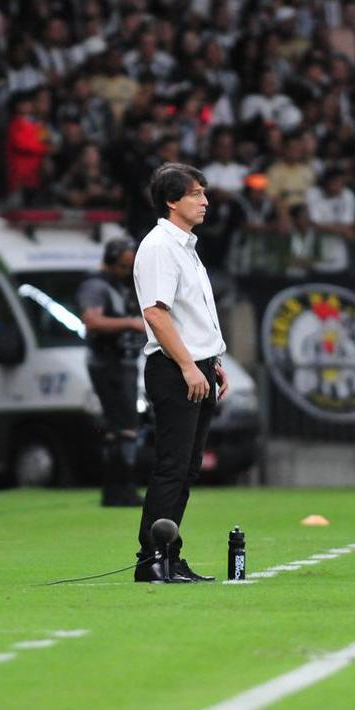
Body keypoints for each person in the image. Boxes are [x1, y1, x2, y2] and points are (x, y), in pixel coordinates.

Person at [131, 163, 228, 584]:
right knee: (172, 467)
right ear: (172, 201)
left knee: (186, 468)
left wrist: (211, 361)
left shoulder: (185, 246)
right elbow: (156, 312)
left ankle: (168, 554)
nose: (205, 201)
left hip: (195, 366)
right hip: (175, 369)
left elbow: (190, 315)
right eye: (196, 194)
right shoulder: (159, 246)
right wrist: (189, 365)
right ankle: (151, 559)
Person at [77, 237, 146, 507]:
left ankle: (117, 488)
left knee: (121, 426)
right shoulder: (96, 286)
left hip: (121, 361)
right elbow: (91, 319)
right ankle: (121, 487)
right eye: (125, 265)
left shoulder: (117, 285)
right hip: (109, 362)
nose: (128, 270)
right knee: (124, 426)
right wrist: (131, 323)